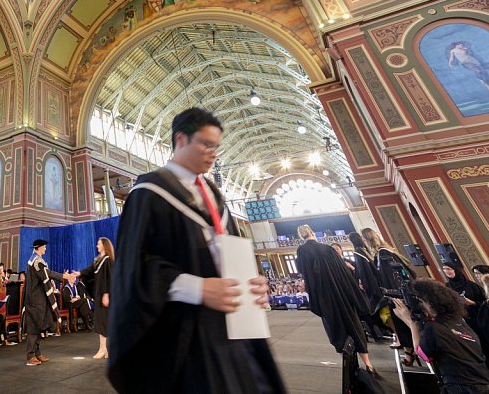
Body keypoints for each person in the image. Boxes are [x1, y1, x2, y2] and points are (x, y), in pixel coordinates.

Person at [108, 107, 284, 393]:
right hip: (186, 338)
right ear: (181, 140)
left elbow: (231, 249)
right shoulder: (149, 193)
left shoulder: (214, 196)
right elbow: (135, 268)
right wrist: (198, 289)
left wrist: (251, 283)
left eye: (216, 147)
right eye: (205, 144)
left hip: (235, 329)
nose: (213, 153)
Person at [391, 279, 489, 393]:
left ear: (427, 303)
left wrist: (410, 322)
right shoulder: (458, 322)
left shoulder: (433, 328)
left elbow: (423, 354)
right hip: (487, 383)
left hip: (463, 387)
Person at [295, 224, 375, 374]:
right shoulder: (328, 248)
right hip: (342, 293)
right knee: (354, 326)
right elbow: (344, 273)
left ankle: (349, 367)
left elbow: (304, 272)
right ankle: (368, 364)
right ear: (312, 232)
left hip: (325, 297)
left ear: (301, 236)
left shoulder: (302, 251)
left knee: (336, 330)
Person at [361, 226, 417, 364]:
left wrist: (392, 294)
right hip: (399, 293)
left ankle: (411, 352)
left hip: (396, 294)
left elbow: (393, 277)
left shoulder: (383, 254)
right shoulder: (387, 251)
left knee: (403, 323)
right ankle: (411, 351)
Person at [23, 239, 76, 366]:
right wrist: (65, 276)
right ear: (39, 247)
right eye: (44, 247)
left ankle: (37, 353)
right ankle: (30, 356)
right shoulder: (36, 261)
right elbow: (47, 274)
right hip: (34, 299)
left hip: (39, 298)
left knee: (39, 325)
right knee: (33, 327)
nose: (46, 249)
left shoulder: (37, 259)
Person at [77, 236, 113, 359]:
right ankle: (104, 349)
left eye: (99, 243)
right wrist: (78, 273)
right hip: (98, 294)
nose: (97, 245)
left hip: (104, 294)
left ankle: (103, 349)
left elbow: (110, 278)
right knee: (100, 321)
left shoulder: (108, 260)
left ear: (104, 245)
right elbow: (89, 270)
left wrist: (107, 294)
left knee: (103, 321)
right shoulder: (98, 259)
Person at [347, 231, 388, 340]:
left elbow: (362, 272)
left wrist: (363, 283)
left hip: (372, 284)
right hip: (377, 281)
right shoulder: (363, 251)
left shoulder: (358, 252)